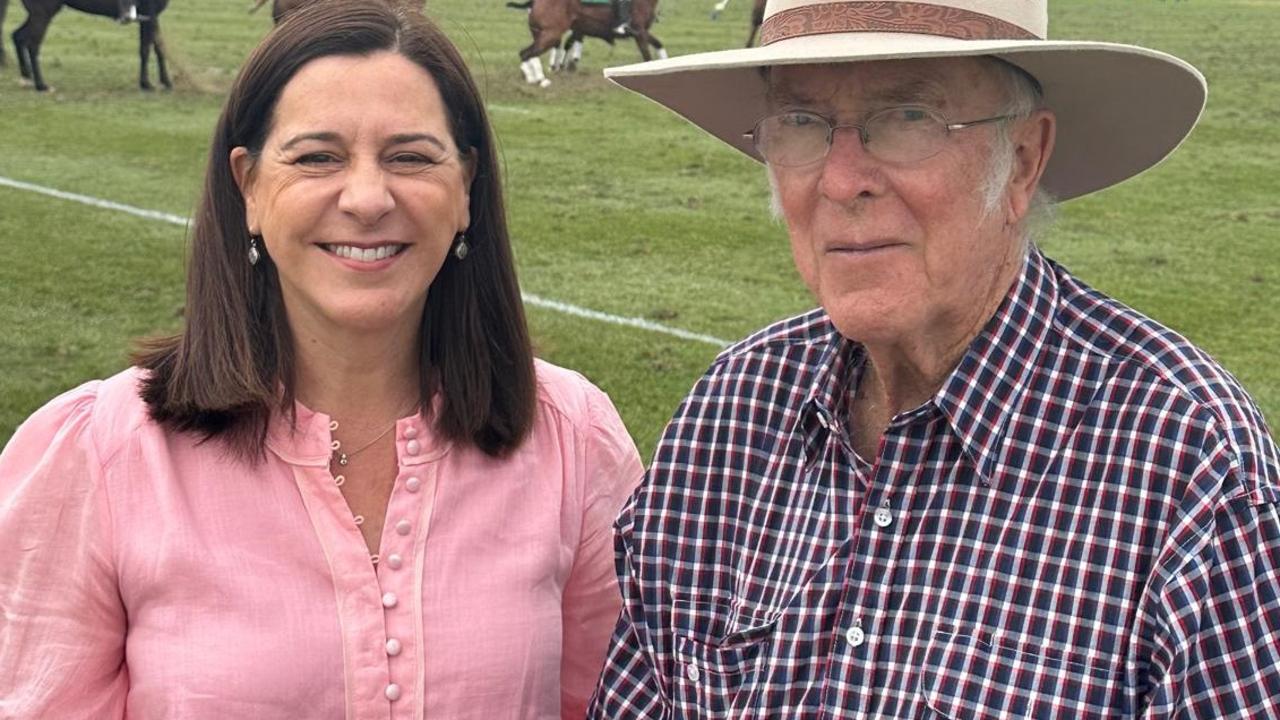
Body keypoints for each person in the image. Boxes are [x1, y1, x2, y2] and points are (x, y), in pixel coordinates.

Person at [589, 0, 1280, 717]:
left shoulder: (1182, 460)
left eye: (907, 117)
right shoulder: (727, 419)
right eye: (800, 124)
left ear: (1022, 161)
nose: (839, 180)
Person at [0, 2, 643, 718]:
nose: (367, 198)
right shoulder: (102, 454)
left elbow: (614, 701)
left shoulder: (571, 439)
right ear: (247, 186)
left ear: (465, 188)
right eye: (317, 157)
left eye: (409, 156)